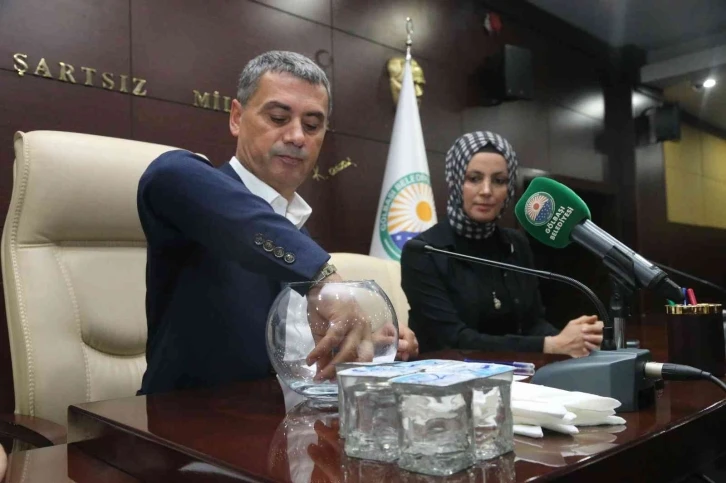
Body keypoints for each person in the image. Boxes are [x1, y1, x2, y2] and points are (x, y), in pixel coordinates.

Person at [137, 51, 418, 395]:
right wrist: (321, 277)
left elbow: (292, 356)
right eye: (278, 118)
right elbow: (167, 173)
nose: (297, 136)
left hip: (286, 419)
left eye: (312, 125)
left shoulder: (296, 228)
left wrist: (359, 344)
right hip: (186, 420)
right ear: (237, 118)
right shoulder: (195, 201)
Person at [400, 131, 603, 357]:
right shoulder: (423, 251)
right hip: (446, 373)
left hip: (518, 371)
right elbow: (453, 339)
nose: (486, 191)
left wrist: (576, 342)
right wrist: (550, 345)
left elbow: (533, 324)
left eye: (499, 181)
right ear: (456, 181)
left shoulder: (516, 243)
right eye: (474, 178)